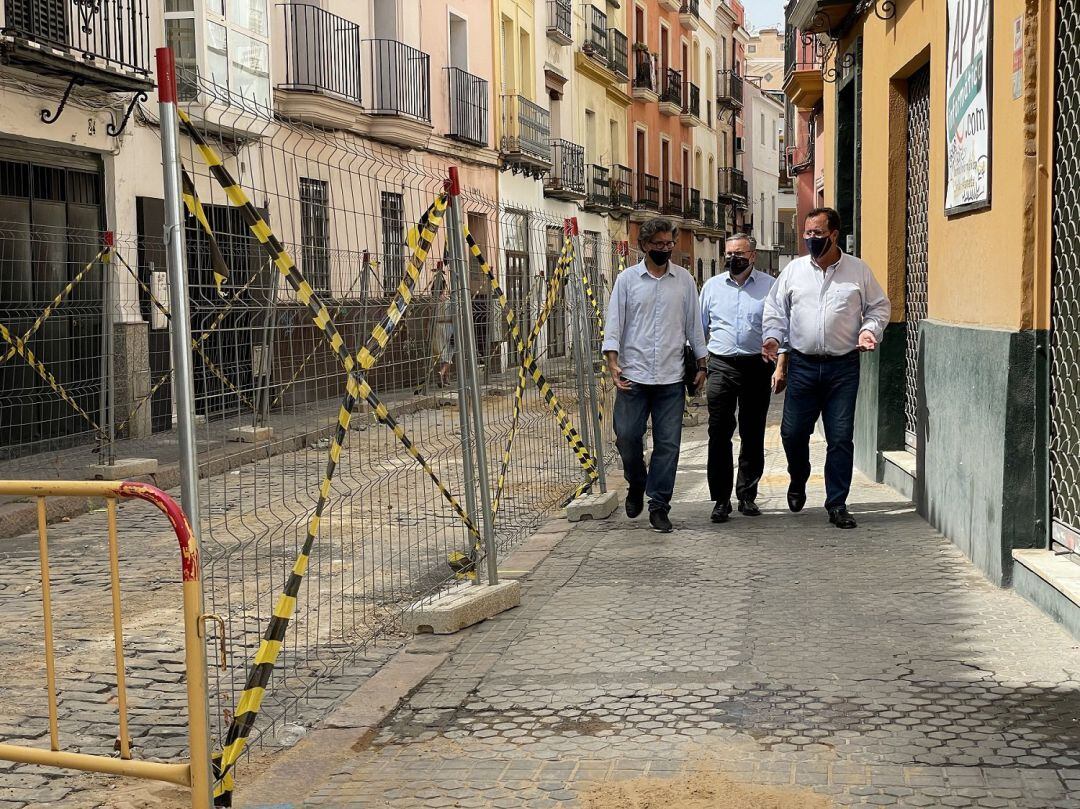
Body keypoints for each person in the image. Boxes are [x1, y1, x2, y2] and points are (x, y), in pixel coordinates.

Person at [762, 207, 890, 529]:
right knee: (792, 434)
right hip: (803, 366)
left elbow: (879, 306)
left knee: (841, 437)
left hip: (842, 367)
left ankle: (837, 503)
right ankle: (798, 477)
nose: (810, 239)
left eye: (817, 234)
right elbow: (776, 308)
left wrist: (868, 330)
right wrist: (773, 338)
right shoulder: (793, 271)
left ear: (834, 234)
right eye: (807, 233)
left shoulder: (858, 271)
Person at [603, 217, 708, 533]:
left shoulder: (684, 280)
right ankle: (637, 482)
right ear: (645, 245)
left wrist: (702, 365)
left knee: (669, 445)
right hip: (633, 375)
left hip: (671, 378)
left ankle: (659, 505)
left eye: (669, 244)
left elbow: (694, 326)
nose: (666, 249)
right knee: (627, 437)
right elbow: (614, 324)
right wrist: (612, 362)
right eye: (659, 244)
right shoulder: (627, 280)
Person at [699, 234, 786, 524]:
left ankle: (747, 495)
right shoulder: (711, 287)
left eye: (738, 253)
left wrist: (779, 365)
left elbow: (780, 326)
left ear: (752, 256)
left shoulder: (769, 287)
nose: (732, 258)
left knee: (752, 432)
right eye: (728, 252)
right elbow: (700, 329)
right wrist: (699, 366)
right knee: (719, 432)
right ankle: (721, 500)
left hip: (756, 365)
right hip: (721, 365)